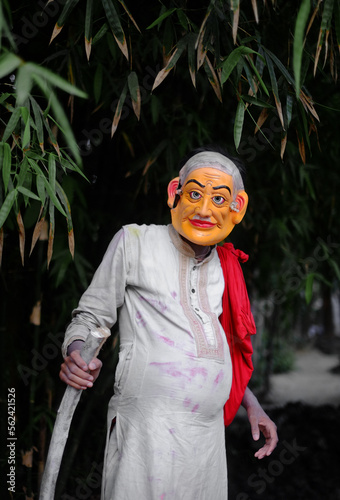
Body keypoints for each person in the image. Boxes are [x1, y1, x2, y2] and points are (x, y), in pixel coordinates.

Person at [60, 146, 278, 500]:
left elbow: (218, 351)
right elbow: (90, 316)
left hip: (206, 444)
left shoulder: (227, 267)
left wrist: (250, 402)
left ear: (237, 208)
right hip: (144, 434)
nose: (204, 209)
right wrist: (75, 354)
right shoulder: (134, 242)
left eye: (219, 199)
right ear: (174, 192)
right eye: (194, 194)